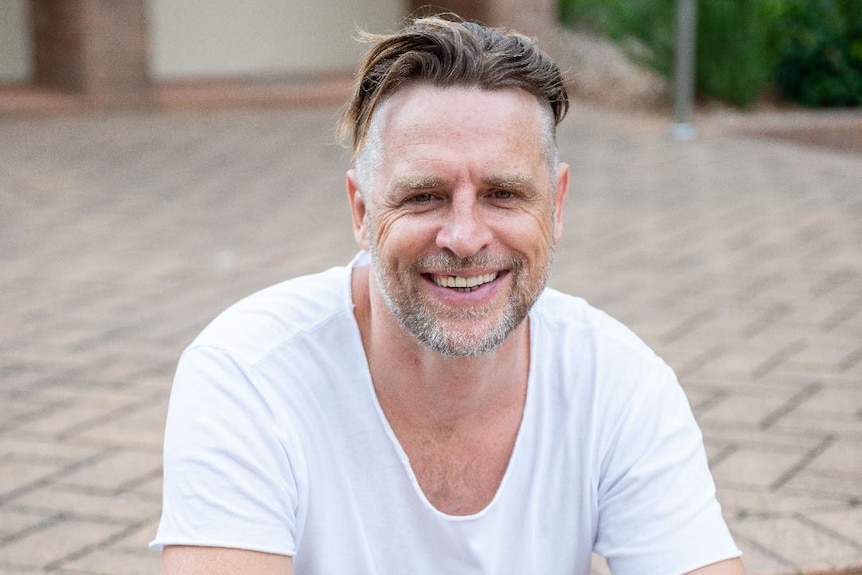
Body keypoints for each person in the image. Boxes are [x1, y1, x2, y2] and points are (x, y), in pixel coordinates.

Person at [152, 16, 745, 575]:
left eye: (504, 194)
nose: (464, 238)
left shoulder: (619, 382)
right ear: (362, 211)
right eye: (423, 196)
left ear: (556, 206)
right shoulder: (250, 376)